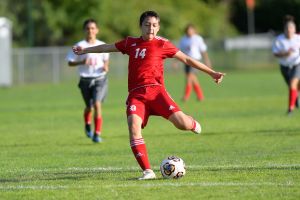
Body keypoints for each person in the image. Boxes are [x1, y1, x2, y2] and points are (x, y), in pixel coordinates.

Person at [73, 11, 225, 179]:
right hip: (136, 95)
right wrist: (85, 50)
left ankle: (191, 123)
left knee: (182, 124)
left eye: (154, 25)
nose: (150, 28)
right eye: (147, 25)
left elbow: (187, 60)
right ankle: (148, 171)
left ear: (158, 27)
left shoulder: (163, 44)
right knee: (133, 127)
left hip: (157, 92)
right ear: (141, 26)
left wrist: (212, 73)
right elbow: (107, 47)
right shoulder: (130, 43)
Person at [67, 19, 109, 143]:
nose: (90, 30)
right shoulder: (79, 46)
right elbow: (69, 62)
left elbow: (106, 61)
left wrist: (106, 66)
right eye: (88, 28)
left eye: (92, 28)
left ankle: (97, 133)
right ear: (84, 30)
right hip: (85, 80)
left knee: (97, 104)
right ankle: (87, 124)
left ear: (97, 30)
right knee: (89, 107)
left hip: (99, 79)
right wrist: (81, 61)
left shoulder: (102, 44)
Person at [272, 15, 300, 115]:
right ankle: (296, 99)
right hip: (284, 67)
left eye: (291, 28)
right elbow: (275, 53)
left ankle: (290, 109)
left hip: (297, 65)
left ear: (294, 29)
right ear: (284, 29)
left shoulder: (298, 38)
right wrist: (285, 54)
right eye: (287, 28)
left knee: (293, 84)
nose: (289, 30)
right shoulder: (279, 40)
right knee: (293, 87)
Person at [179, 24, 212, 101]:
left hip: (195, 60)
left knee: (189, 77)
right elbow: (179, 51)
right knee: (193, 78)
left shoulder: (198, 38)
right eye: (188, 30)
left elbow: (203, 50)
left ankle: (186, 96)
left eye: (191, 30)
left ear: (194, 30)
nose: (189, 32)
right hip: (186, 60)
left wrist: (207, 60)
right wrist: (175, 62)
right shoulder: (183, 39)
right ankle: (200, 96)